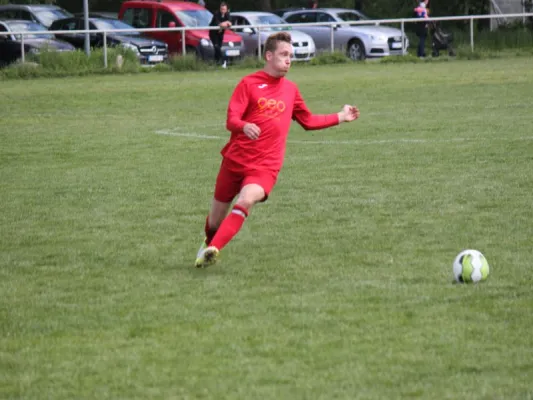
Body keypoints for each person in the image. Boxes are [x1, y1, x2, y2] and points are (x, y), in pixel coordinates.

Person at [194, 31, 360, 268]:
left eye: (291, 56)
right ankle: (209, 242)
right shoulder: (248, 84)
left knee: (246, 199)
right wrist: (244, 126)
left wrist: (341, 116)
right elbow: (231, 120)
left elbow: (308, 121)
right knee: (214, 222)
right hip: (235, 161)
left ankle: (214, 249)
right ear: (269, 56)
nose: (289, 60)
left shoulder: (291, 90)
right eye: (284, 54)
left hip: (265, 166)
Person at [209, 2, 232, 68]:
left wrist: (227, 23)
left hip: (220, 34)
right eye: (221, 9)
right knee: (217, 47)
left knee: (218, 48)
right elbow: (220, 24)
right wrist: (226, 22)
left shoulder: (227, 14)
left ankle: (216, 63)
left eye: (224, 9)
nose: (223, 11)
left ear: (226, 9)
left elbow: (230, 23)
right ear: (220, 9)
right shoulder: (216, 14)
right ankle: (223, 61)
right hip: (213, 33)